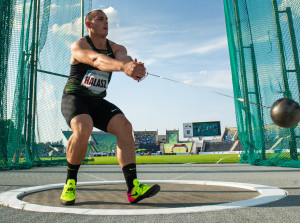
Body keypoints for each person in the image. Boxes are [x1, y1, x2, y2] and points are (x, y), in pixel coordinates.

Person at [60, 9, 160, 205]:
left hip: (96, 102)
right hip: (75, 98)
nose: (106, 22)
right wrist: (123, 67)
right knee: (84, 126)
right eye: (100, 19)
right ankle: (70, 183)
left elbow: (123, 57)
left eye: (107, 19)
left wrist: (132, 67)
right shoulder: (79, 45)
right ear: (89, 25)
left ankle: (133, 188)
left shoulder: (115, 46)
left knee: (124, 126)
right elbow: (97, 60)